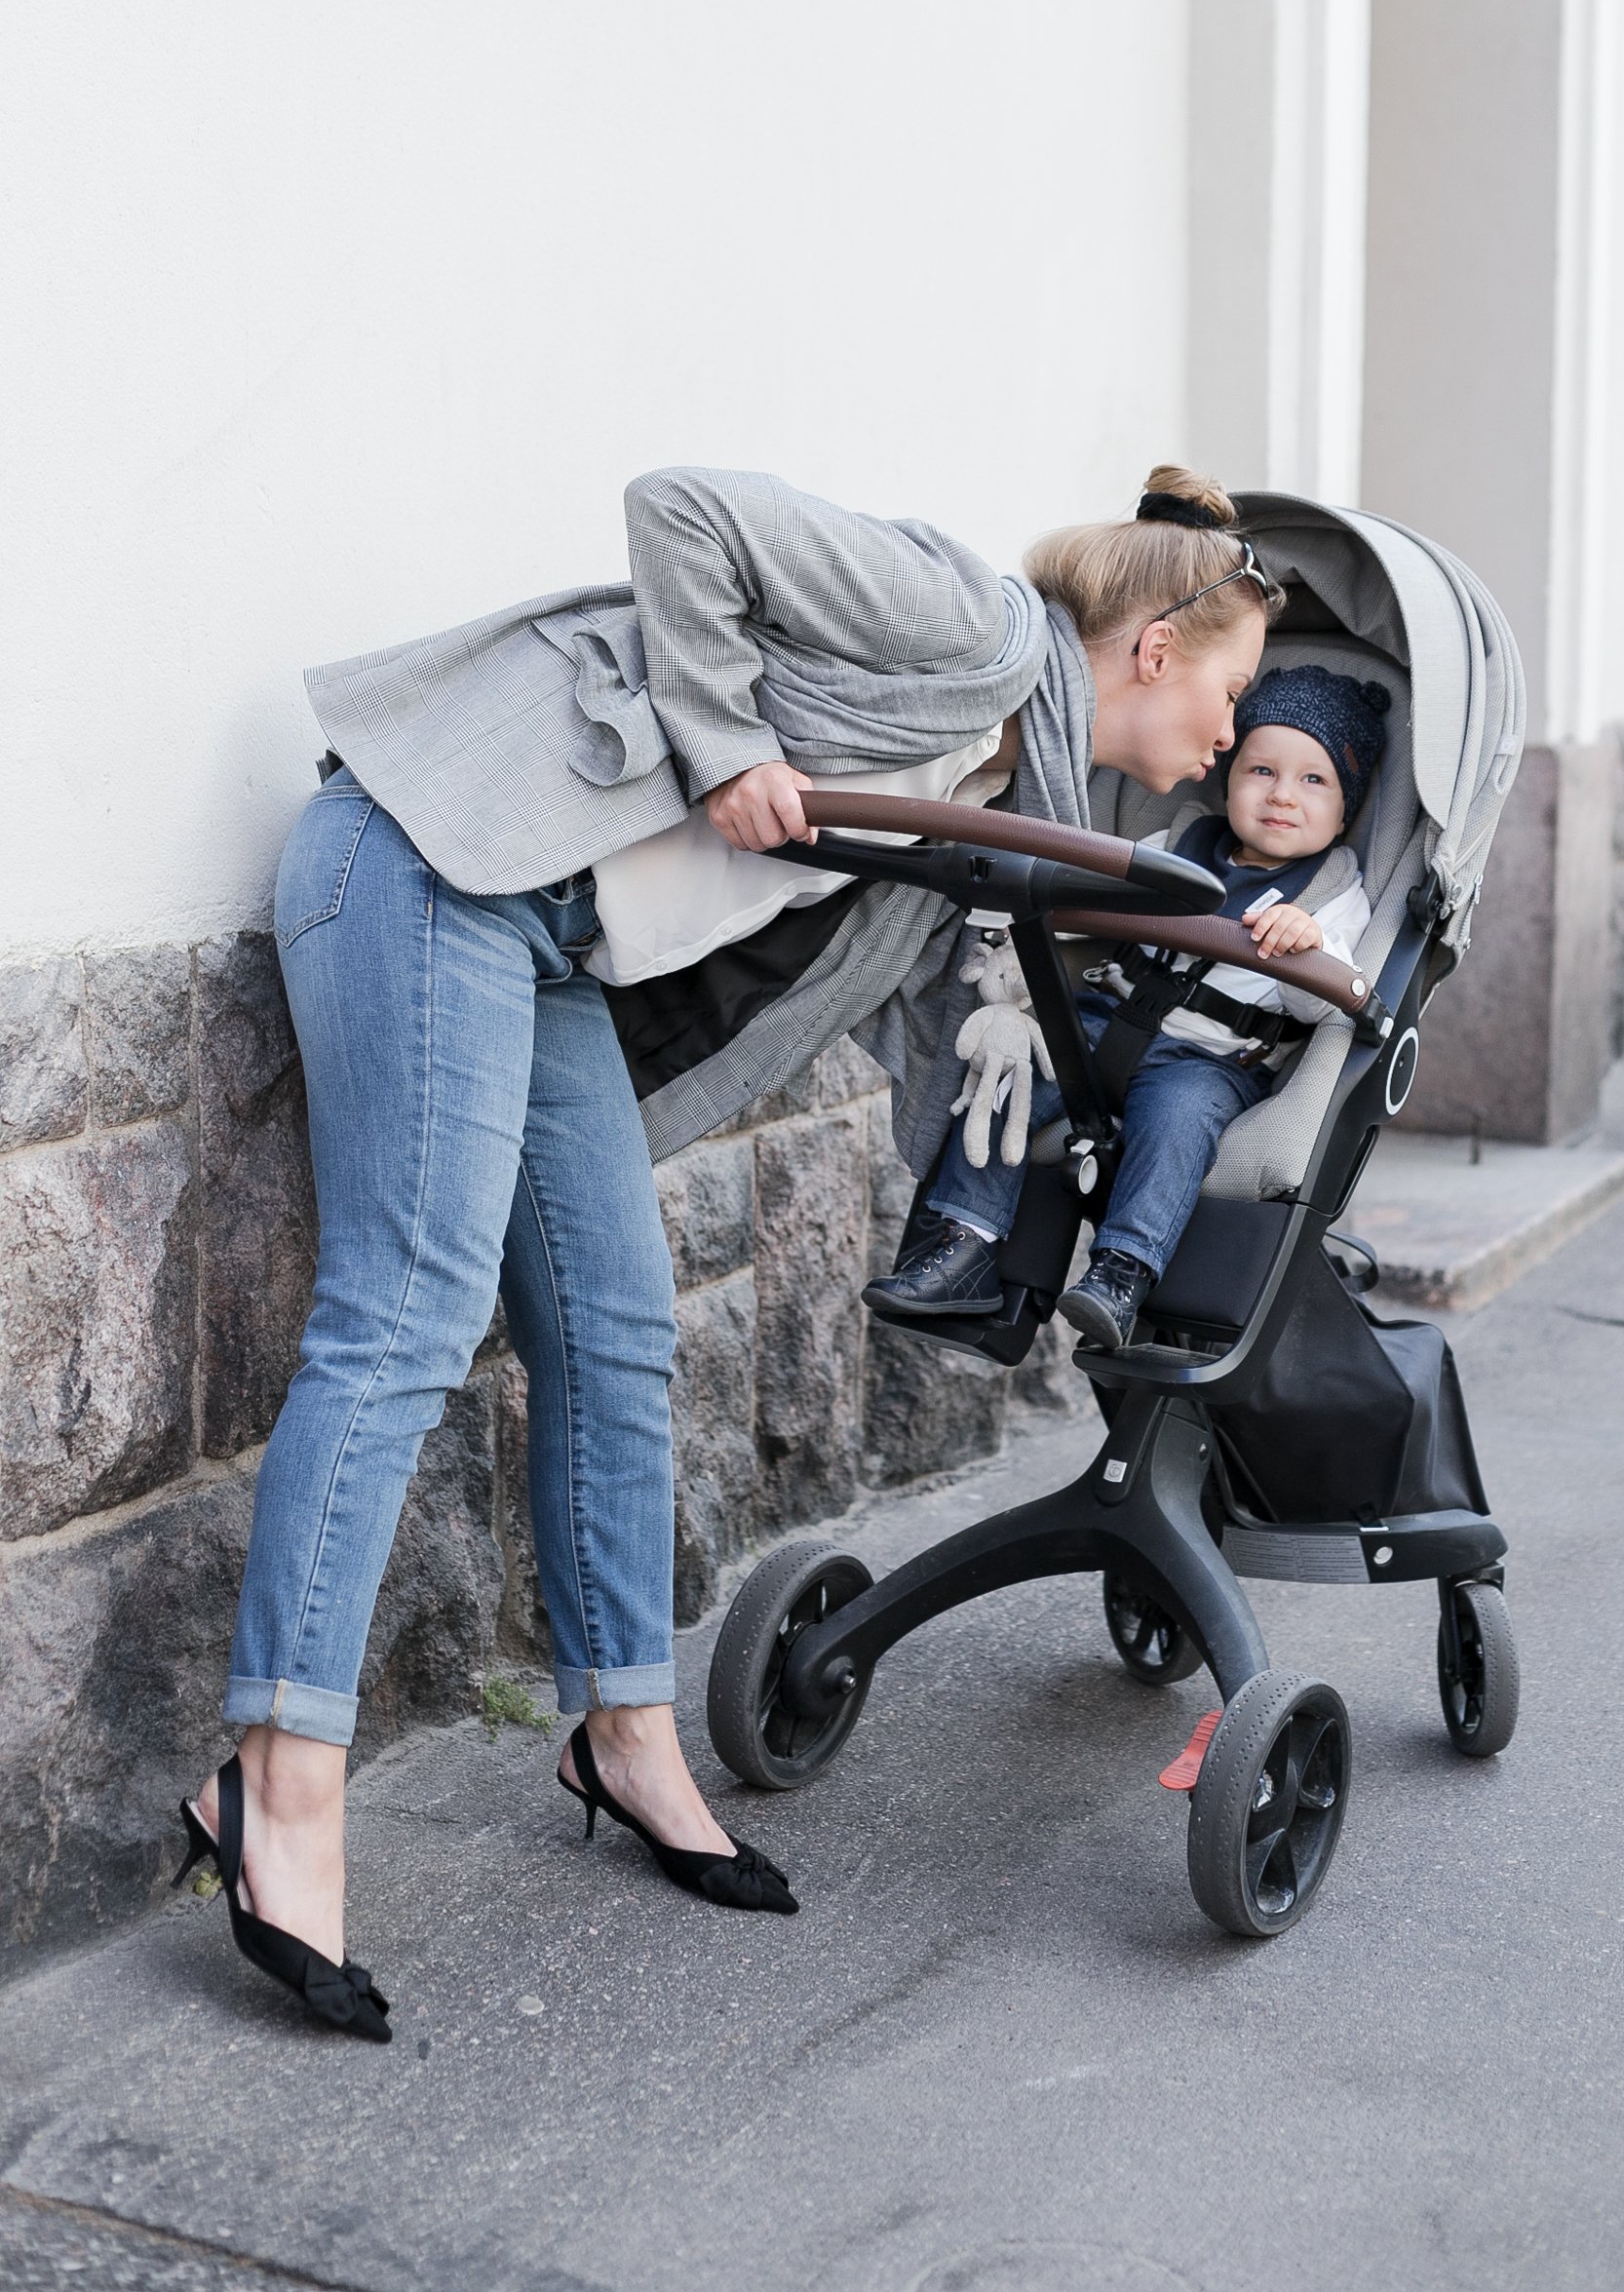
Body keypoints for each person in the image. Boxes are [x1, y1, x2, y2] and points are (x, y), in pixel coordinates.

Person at [179, 461, 1274, 2039]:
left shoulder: (999, 805)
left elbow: (1000, 1006)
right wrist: (730, 740)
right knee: (405, 1314)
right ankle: (273, 1783)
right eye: (1233, 696)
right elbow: (683, 508)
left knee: (619, 1335)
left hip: (546, 946)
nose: (1233, 744)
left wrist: (1263, 946)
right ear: (1158, 646)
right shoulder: (970, 626)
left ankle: (623, 1737)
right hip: (423, 863)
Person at [866, 664, 1389, 1349]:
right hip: (1102, 1016)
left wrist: (1309, 946)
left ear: (1345, 808)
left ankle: (1122, 1271)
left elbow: (1334, 1001)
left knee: (1178, 1123)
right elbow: (1089, 905)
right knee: (1010, 1065)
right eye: (1261, 771)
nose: (1282, 796)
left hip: (1208, 1058)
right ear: (1228, 778)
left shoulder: (1331, 896)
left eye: (1313, 780)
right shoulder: (1177, 848)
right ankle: (962, 1244)